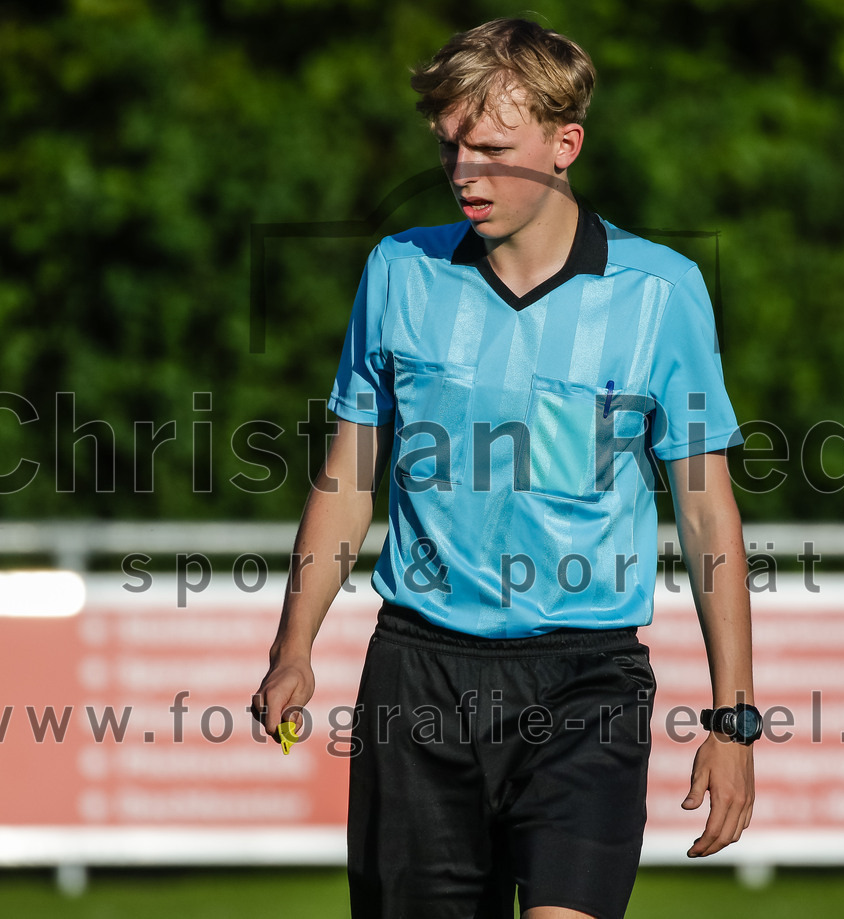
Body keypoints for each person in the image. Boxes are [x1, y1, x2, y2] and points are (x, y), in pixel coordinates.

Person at [252, 17, 758, 919]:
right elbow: (349, 480)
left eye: (490, 149)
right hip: (419, 676)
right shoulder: (398, 271)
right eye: (450, 145)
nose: (463, 172)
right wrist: (293, 647)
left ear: (566, 145)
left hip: (586, 680)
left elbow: (706, 512)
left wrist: (733, 719)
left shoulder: (661, 292)